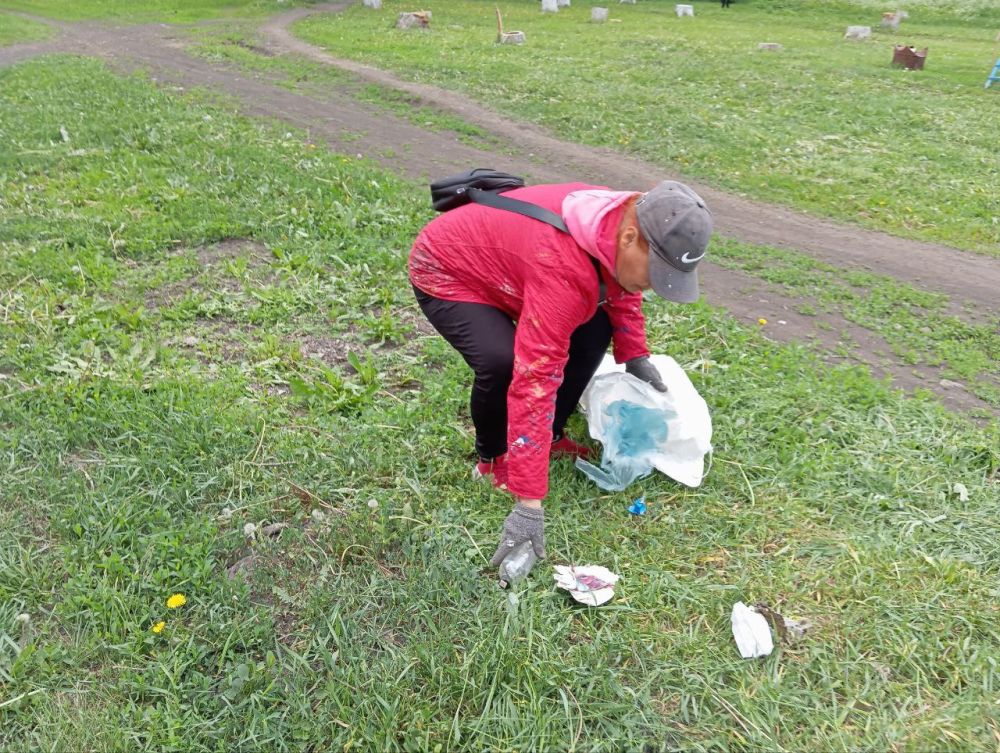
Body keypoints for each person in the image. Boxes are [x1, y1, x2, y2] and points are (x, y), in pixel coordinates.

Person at [408, 180, 712, 568]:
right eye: (656, 271)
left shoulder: (622, 221)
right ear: (629, 238)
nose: (654, 284)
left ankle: (550, 435)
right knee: (502, 361)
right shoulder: (562, 266)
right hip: (448, 268)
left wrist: (634, 353)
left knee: (596, 327)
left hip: (516, 266)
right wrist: (528, 505)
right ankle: (493, 456)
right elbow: (535, 381)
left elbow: (622, 285)